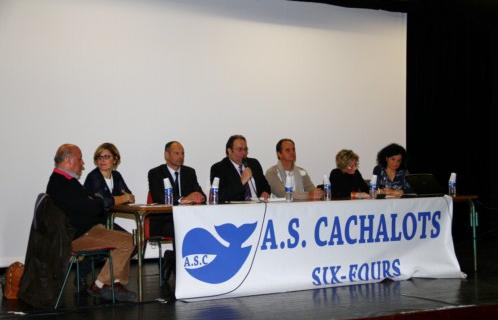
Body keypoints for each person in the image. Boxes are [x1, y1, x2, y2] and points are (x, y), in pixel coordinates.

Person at [46, 144, 136, 302]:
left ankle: (113, 284)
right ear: (69, 160)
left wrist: (97, 203)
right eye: (80, 159)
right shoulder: (61, 183)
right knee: (127, 241)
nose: (83, 164)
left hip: (86, 229)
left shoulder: (63, 180)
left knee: (127, 239)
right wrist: (98, 203)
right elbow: (90, 206)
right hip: (76, 236)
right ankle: (100, 284)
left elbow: (91, 202)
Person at [210, 135, 271, 203]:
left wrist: (265, 192)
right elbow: (220, 195)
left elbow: (265, 186)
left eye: (245, 149)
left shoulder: (254, 164)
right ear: (229, 151)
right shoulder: (219, 168)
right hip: (235, 209)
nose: (244, 153)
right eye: (239, 149)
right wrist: (241, 181)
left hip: (258, 206)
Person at [148, 141, 206, 205]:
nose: (181, 157)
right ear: (166, 155)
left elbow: (201, 194)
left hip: (187, 213)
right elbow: (158, 198)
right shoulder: (155, 173)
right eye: (177, 153)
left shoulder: (189, 172)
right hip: (166, 213)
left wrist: (199, 197)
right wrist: (182, 200)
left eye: (182, 153)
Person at [84, 143, 135, 212]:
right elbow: (103, 202)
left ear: (115, 159)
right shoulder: (94, 176)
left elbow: (130, 197)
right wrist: (122, 199)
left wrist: (123, 198)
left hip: (106, 219)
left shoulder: (116, 175)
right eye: (99, 157)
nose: (102, 160)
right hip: (92, 220)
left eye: (106, 157)